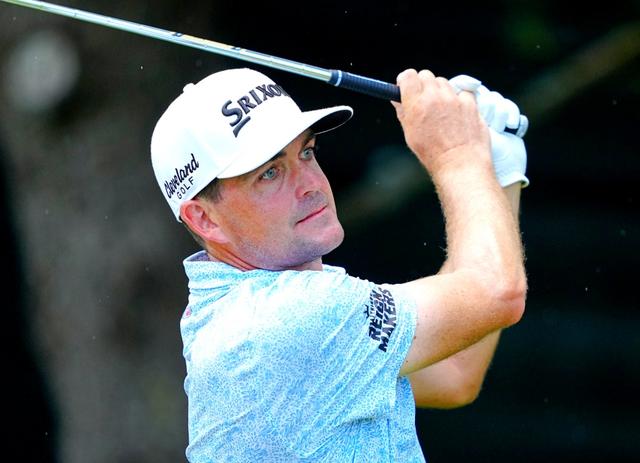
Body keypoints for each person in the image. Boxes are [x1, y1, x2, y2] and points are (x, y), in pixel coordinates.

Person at [150, 67, 529, 462]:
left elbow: (454, 373)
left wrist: (498, 173)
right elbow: (497, 292)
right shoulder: (283, 318)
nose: (311, 184)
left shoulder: (250, 316)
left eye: (306, 152)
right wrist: (458, 154)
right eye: (270, 173)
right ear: (204, 219)